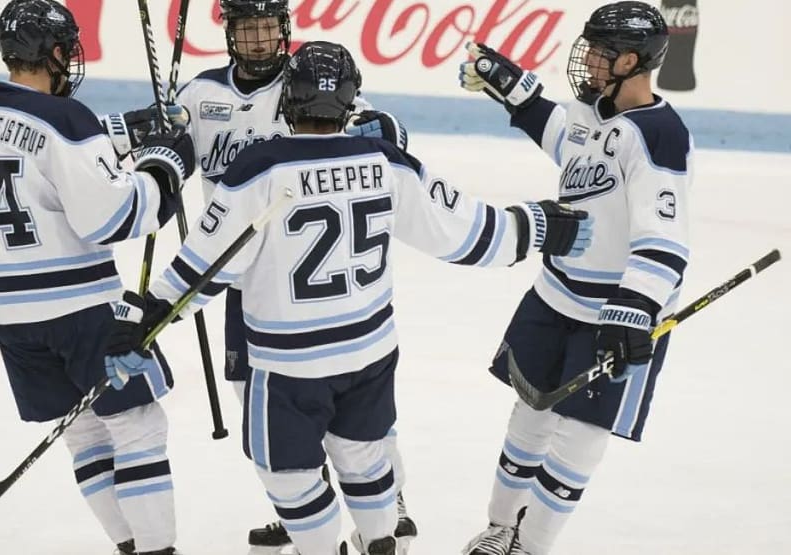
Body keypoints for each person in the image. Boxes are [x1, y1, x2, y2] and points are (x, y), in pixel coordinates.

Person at [104, 41, 592, 555]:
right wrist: (536, 225)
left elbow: (205, 267)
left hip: (290, 364)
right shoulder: (385, 162)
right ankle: (381, 543)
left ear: (288, 100)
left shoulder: (258, 168)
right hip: (370, 355)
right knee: (365, 459)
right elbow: (464, 232)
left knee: (287, 474)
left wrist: (148, 316)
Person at [162, 1, 414, 551]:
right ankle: (305, 500)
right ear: (229, 33)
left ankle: (383, 494)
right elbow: (169, 164)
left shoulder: (309, 82)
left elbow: (383, 135)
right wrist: (160, 144)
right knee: (251, 393)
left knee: (352, 404)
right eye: (245, 29)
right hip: (242, 275)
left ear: (284, 30)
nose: (257, 41)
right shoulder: (199, 97)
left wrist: (388, 127)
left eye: (266, 28)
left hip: (318, 282)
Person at [457, 2, 693, 553]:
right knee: (529, 412)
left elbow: (666, 238)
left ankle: (532, 546)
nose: (585, 59)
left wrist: (636, 306)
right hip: (554, 295)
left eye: (600, 52)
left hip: (614, 310)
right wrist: (512, 88)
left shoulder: (659, 133)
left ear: (632, 60)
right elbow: (563, 136)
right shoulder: (593, 110)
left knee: (581, 436)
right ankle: (500, 527)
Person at [0, 1, 195, 553]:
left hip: (9, 318)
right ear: (56, 53)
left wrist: (126, 132)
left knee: (87, 436)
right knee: (139, 426)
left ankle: (129, 546)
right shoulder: (69, 120)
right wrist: (165, 168)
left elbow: (43, 153)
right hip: (77, 311)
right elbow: (112, 217)